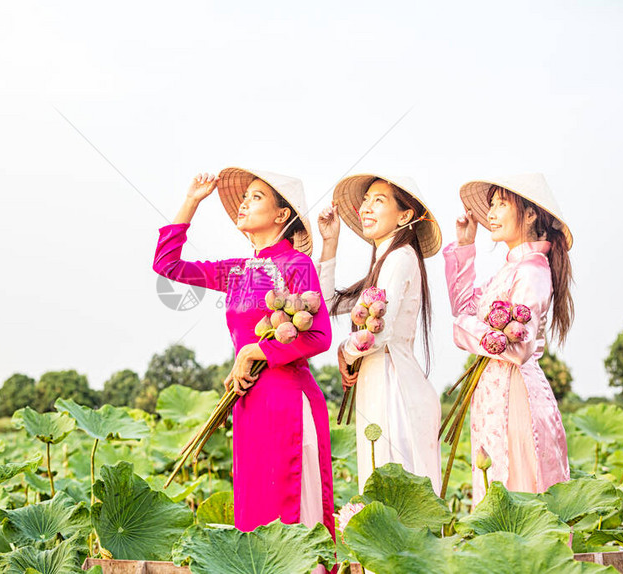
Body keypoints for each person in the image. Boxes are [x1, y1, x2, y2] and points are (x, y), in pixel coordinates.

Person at [152, 168, 336, 544]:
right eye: (244, 196)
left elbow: (319, 336)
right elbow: (167, 265)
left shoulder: (296, 266)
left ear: (282, 215)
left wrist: (257, 349)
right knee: (254, 512)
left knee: (289, 515)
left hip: (287, 401)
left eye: (256, 197)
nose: (243, 203)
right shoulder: (237, 272)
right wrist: (191, 201)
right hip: (249, 400)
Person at [444, 173, 572, 504]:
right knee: (495, 491)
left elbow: (517, 348)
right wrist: (466, 246)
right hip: (493, 390)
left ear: (530, 213)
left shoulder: (532, 270)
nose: (491, 213)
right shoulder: (510, 269)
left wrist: (463, 329)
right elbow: (463, 306)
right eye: (492, 205)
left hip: (516, 395)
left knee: (515, 487)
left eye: (502, 204)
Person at [317, 174, 442, 494]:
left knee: (395, 487)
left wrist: (345, 351)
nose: (366, 207)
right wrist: (330, 243)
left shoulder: (400, 257)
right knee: (381, 483)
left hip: (393, 381)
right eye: (366, 200)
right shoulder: (384, 261)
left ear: (405, 215)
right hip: (377, 377)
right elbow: (327, 302)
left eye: (379, 200)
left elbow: (379, 334)